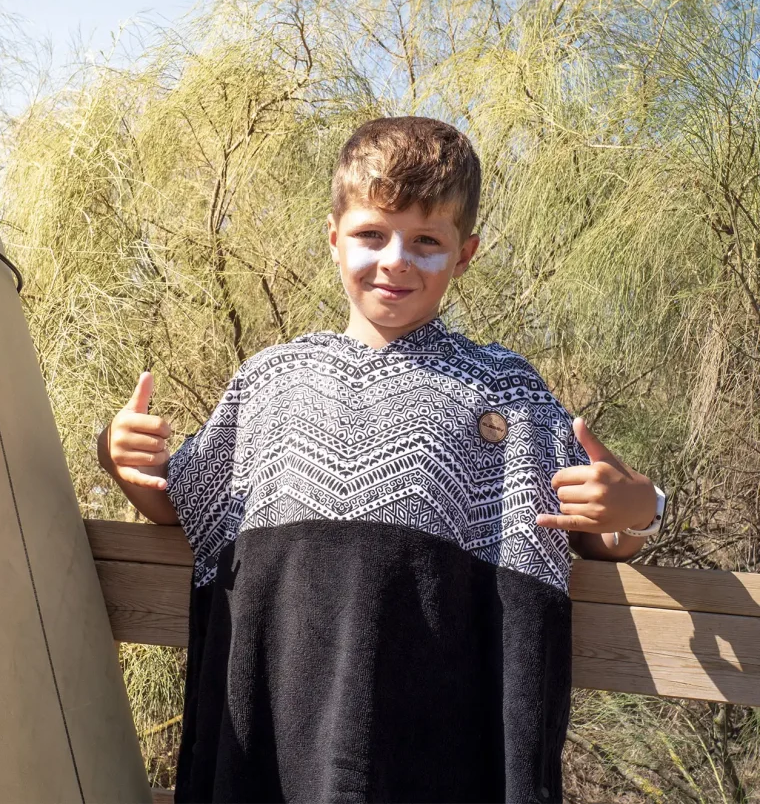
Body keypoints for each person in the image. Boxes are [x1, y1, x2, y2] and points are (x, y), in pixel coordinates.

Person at [97, 117, 664, 804]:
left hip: (435, 749)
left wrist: (639, 507)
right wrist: (120, 456)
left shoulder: (506, 391)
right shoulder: (271, 379)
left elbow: (593, 532)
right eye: (372, 233)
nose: (396, 258)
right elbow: (186, 502)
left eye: (426, 240)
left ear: (465, 254)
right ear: (334, 237)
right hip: (277, 747)